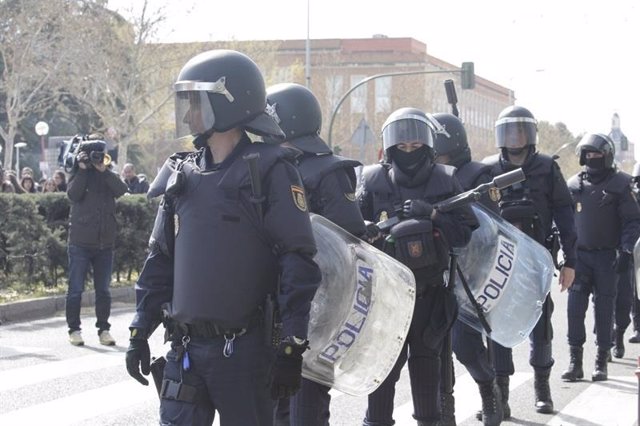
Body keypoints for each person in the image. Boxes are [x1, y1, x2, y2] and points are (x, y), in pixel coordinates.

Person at [125, 49, 322, 426]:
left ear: (228, 102)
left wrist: (291, 344)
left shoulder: (270, 171)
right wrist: (140, 328)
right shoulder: (181, 174)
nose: (187, 114)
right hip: (183, 349)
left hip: (244, 354)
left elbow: (298, 260)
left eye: (195, 102)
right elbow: (160, 260)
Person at [357, 107, 478, 426]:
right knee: (381, 377)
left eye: (415, 146)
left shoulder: (446, 180)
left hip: (429, 295)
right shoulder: (370, 180)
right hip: (385, 299)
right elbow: (350, 232)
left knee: (427, 379)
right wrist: (369, 229)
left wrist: (434, 216)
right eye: (402, 147)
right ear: (390, 148)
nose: (408, 152)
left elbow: (465, 233)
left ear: (427, 147)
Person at [266, 83, 367, 426]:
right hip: (277, 302)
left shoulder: (328, 170)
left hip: (315, 306)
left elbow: (347, 238)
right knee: (276, 402)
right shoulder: (273, 164)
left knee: (306, 404)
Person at [482, 105, 576, 416]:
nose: (515, 137)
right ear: (500, 135)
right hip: (499, 265)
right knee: (497, 327)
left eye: (520, 130)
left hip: (537, 263)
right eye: (509, 131)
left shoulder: (548, 168)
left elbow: (564, 213)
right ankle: (501, 394)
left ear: (530, 133)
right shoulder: (488, 170)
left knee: (540, 325)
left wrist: (569, 260)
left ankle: (542, 388)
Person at [432, 112, 503, 426]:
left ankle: (489, 390)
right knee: (432, 350)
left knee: (465, 346)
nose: (435, 157)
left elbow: (486, 227)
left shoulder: (479, 175)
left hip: (468, 275)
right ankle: (444, 409)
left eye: (440, 151)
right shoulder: (426, 176)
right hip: (430, 272)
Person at [561, 133, 640, 381]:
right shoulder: (573, 185)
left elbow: (632, 221)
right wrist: (562, 253)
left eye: (596, 154)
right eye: (588, 155)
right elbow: (562, 221)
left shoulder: (621, 185)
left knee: (605, 310)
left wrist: (626, 250)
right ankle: (575, 362)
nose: (592, 159)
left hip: (608, 258)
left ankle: (601, 361)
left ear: (607, 156)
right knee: (574, 310)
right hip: (579, 258)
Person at [65, 137, 128, 346]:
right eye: (93, 155)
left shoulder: (107, 174)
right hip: (80, 243)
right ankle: (74, 329)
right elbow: (73, 195)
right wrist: (82, 169)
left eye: (99, 154)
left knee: (103, 290)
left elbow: (121, 189)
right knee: (75, 289)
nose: (96, 159)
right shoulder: (78, 173)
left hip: (105, 243)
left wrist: (104, 170)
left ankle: (104, 330)